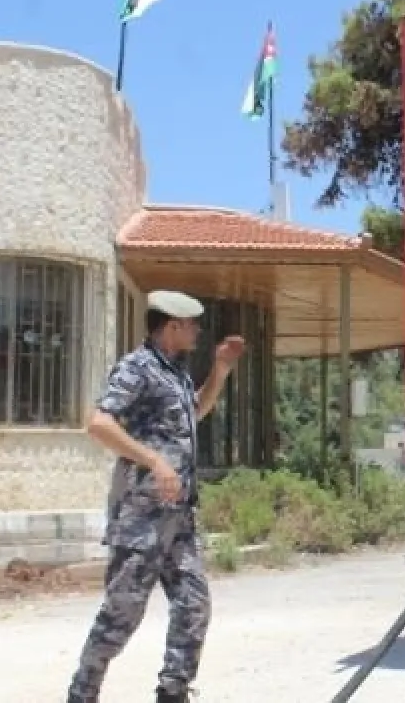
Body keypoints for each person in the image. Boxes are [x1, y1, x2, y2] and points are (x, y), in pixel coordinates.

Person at [66, 290, 246, 703]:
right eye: (192, 325)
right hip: (142, 519)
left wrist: (219, 369)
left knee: (193, 606)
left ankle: (173, 691)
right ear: (172, 326)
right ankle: (82, 693)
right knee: (121, 615)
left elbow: (194, 412)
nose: (198, 331)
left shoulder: (175, 372)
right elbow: (99, 424)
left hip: (178, 519)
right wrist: (155, 462)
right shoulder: (137, 368)